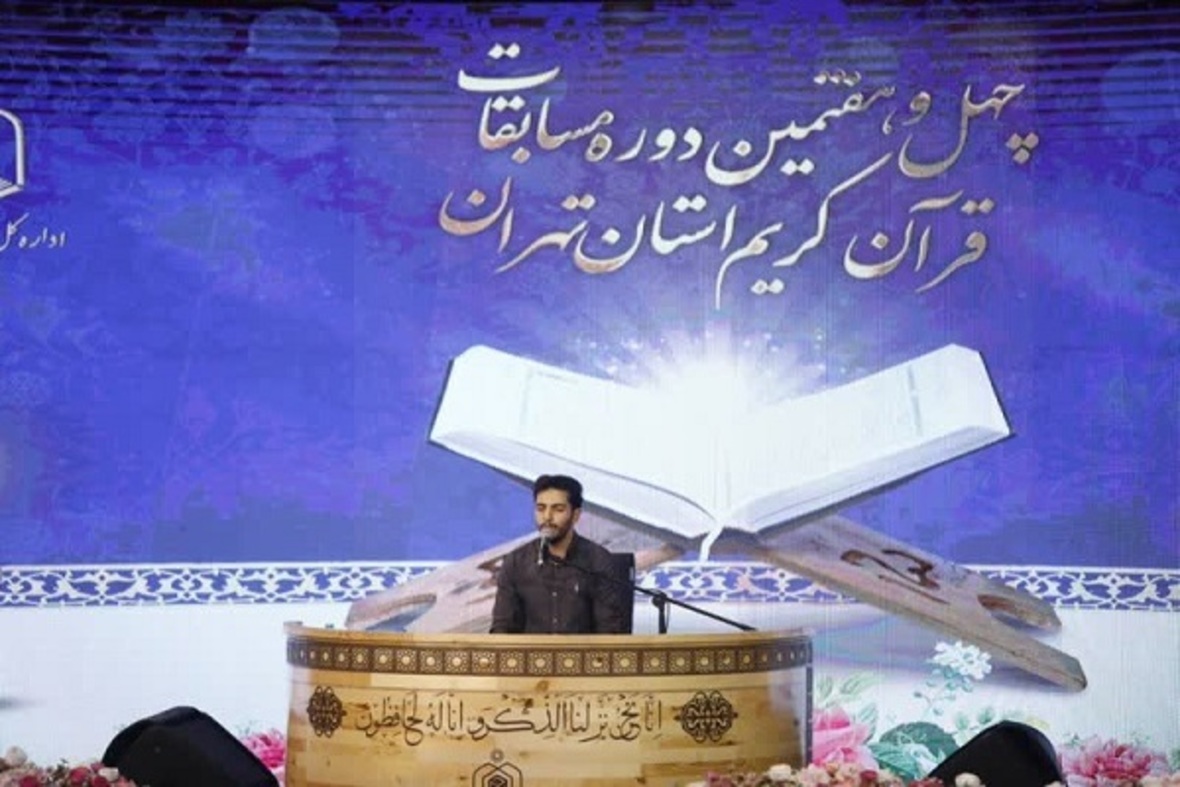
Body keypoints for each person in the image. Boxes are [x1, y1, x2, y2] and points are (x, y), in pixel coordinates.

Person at [489, 474, 630, 634]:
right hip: (530, 651)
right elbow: (502, 628)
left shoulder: (598, 560)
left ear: (575, 515)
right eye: (541, 508)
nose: (547, 517)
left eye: (558, 509)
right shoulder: (516, 562)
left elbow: (610, 631)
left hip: (583, 651)